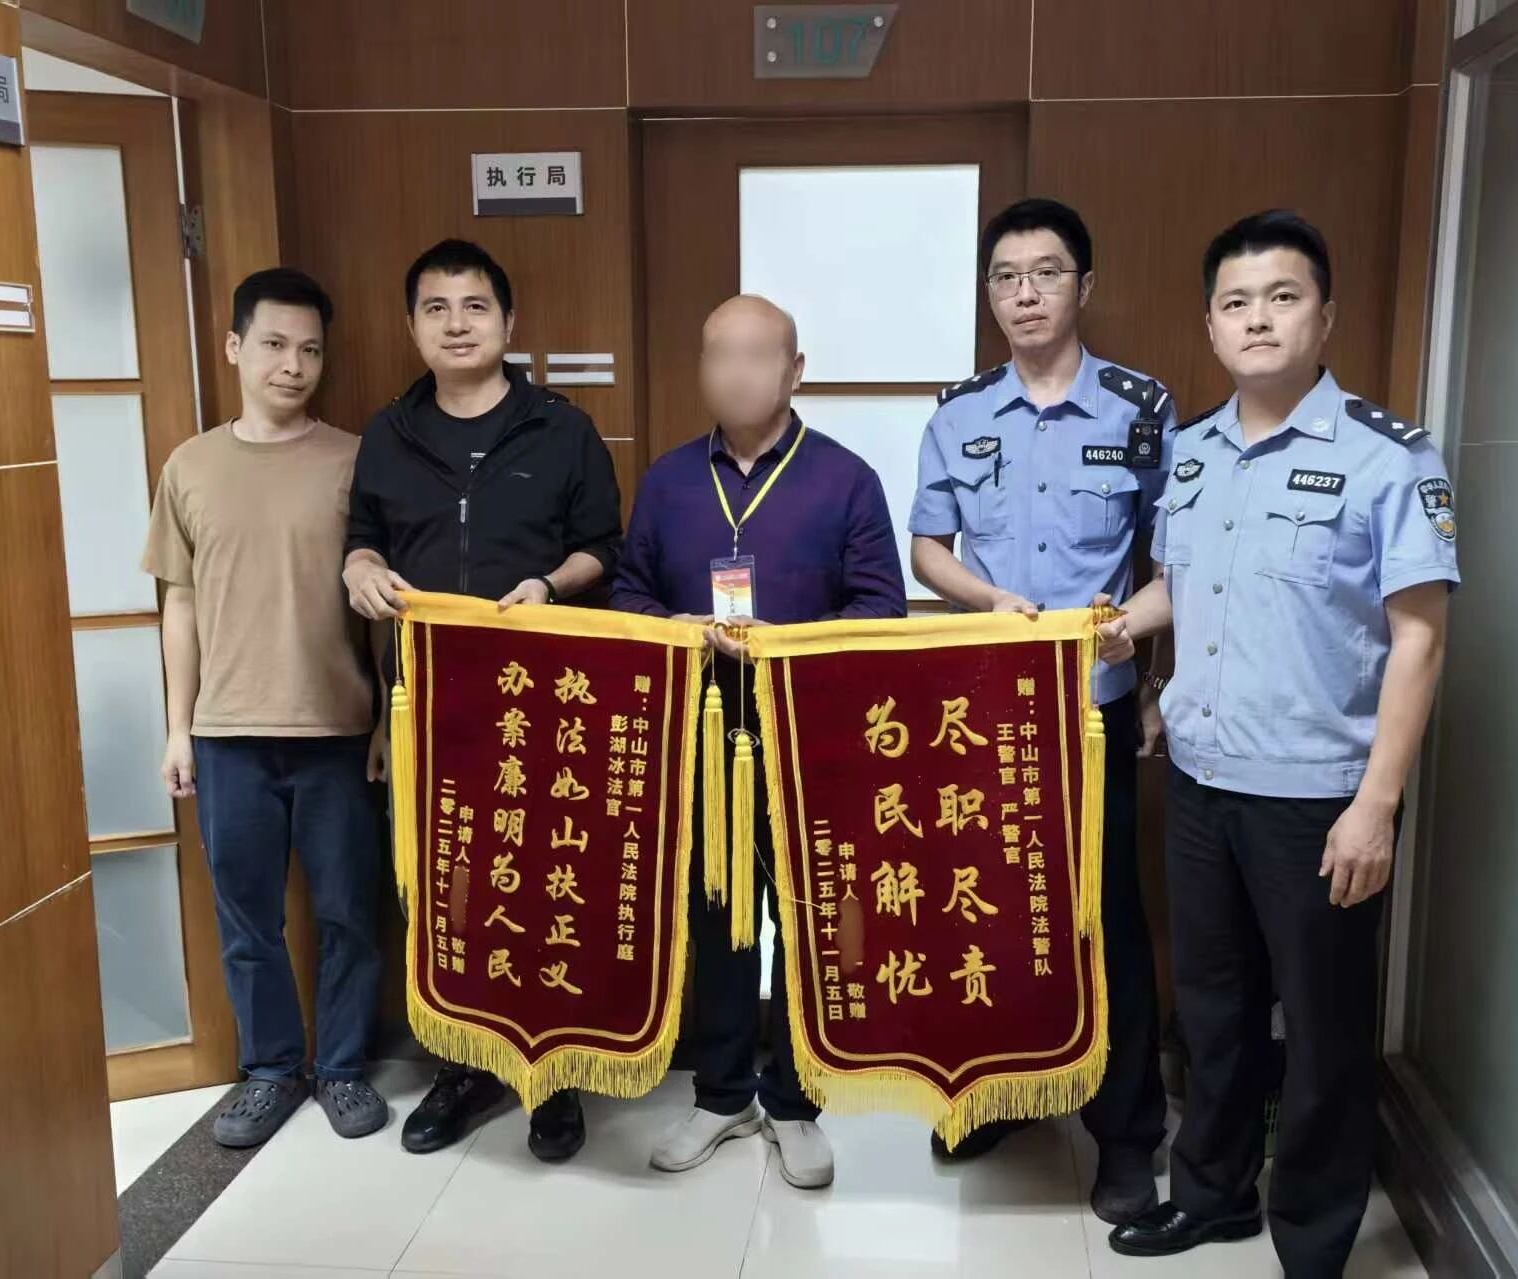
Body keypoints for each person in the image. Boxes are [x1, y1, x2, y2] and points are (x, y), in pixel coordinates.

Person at [1101, 211, 1457, 1273]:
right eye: (1236, 302)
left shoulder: (1387, 457)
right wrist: (1116, 634)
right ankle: (1212, 1195)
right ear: (1211, 325)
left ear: (1325, 316)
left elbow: (1420, 636)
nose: (1257, 319)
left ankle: (1312, 1233)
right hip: (1200, 781)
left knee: (1321, 1026)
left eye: (1282, 297)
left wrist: (1375, 806)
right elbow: (1182, 588)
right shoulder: (1192, 454)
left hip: (1319, 795)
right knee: (1211, 1009)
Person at [907, 197, 1171, 1224]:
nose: (1024, 293)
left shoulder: (1140, 410)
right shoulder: (959, 413)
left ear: (1083, 286)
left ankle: (1124, 1132)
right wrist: (984, 598)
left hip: (1094, 710)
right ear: (990, 295)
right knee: (992, 906)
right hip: (985, 710)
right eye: (1006, 277)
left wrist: (1139, 655)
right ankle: (1003, 1095)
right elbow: (927, 547)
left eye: (1046, 273)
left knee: (1104, 917)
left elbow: (1179, 562)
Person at [610, 294, 907, 1190]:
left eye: (756, 355)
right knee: (716, 917)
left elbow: (881, 610)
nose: (735, 373)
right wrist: (675, 624)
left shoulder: (845, 478)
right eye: (719, 355)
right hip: (700, 737)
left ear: (794, 370)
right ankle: (721, 1093)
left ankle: (796, 1101)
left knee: (806, 919)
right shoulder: (669, 479)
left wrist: (788, 644)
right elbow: (626, 593)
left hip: (807, 743)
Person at [343, 238, 623, 1162]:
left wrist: (550, 582)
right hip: (429, 706)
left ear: (509, 321)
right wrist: (360, 566)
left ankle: (554, 1075)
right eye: (436, 307)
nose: (456, 324)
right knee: (444, 887)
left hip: (544, 703)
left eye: (474, 306)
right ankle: (462, 1067)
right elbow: (362, 539)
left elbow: (603, 549)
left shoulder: (561, 429)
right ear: (411, 325)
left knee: (550, 881)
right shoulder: (388, 434)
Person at [144, 268, 387, 1148]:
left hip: (338, 731)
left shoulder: (356, 459)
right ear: (235, 347)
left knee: (349, 912)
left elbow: (383, 609)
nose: (293, 365)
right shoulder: (190, 465)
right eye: (276, 345)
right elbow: (179, 603)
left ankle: (344, 1067)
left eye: (310, 349)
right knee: (247, 918)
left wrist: (386, 721)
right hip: (226, 736)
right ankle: (271, 1070)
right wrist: (178, 727)